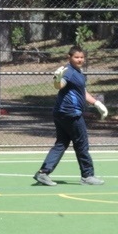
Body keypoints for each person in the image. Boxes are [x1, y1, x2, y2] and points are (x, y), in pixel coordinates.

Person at [33, 45, 107, 186]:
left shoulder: (78, 73)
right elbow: (59, 85)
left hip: (61, 113)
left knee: (61, 143)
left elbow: (82, 93)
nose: (79, 60)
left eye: (81, 57)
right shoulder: (69, 72)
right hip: (70, 113)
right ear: (69, 57)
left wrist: (97, 104)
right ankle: (87, 175)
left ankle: (43, 173)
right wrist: (57, 79)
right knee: (82, 144)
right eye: (76, 57)